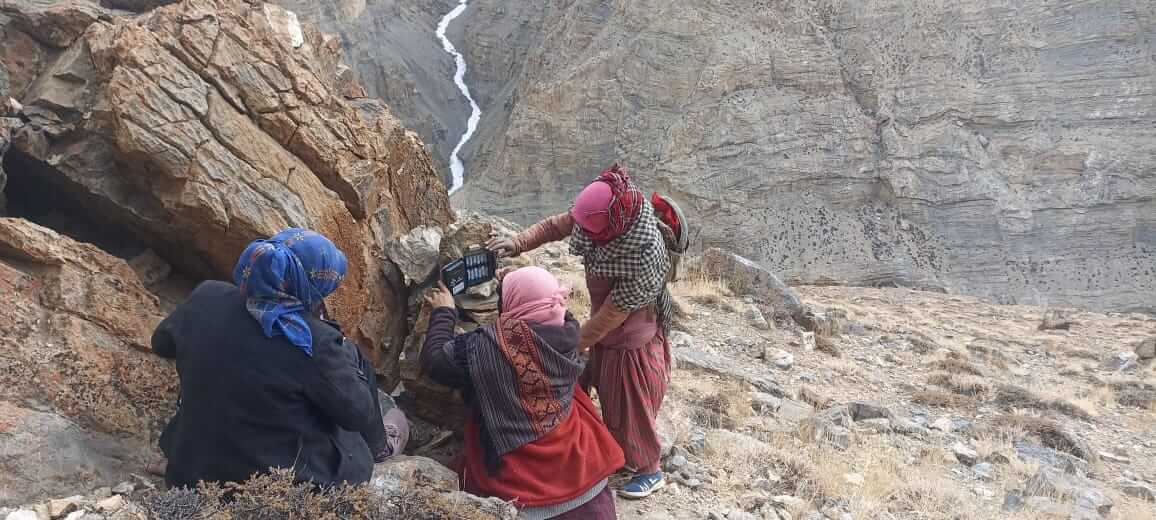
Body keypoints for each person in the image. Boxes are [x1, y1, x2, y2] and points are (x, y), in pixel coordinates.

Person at [151, 228, 408, 489]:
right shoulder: (311, 341)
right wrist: (341, 350)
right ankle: (381, 447)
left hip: (190, 468)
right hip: (270, 485)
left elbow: (161, 344)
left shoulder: (207, 296)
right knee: (349, 396)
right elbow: (358, 414)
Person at [487, 164, 673, 499]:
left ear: (612, 225)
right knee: (595, 389)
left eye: (590, 229)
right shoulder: (605, 212)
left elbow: (611, 316)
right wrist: (518, 243)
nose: (582, 233)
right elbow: (557, 225)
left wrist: (574, 343)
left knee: (629, 406)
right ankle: (606, 449)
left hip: (630, 337)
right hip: (607, 327)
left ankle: (649, 468)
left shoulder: (644, 252)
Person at [421, 266, 623, 519]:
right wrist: (521, 285)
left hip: (530, 494)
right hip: (585, 476)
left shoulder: (487, 348)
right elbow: (547, 306)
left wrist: (443, 313)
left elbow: (435, 362)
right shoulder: (568, 331)